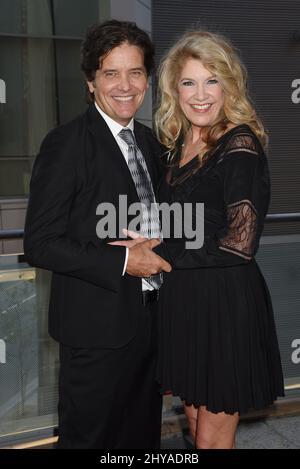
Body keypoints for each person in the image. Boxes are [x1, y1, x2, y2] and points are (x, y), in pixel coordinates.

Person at [123, 30, 285, 449]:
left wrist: (160, 254)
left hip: (224, 305)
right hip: (185, 303)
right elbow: (184, 218)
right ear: (174, 90)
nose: (200, 94)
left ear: (228, 85)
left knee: (213, 440)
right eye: (189, 82)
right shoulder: (179, 144)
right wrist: (142, 239)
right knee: (196, 427)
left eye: (211, 80)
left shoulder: (240, 143)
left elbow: (239, 242)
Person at [24, 20, 171, 449]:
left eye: (136, 72)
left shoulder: (150, 143)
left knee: (142, 440)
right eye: (111, 73)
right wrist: (126, 261)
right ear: (91, 82)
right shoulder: (65, 144)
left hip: (150, 324)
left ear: (147, 79)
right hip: (93, 334)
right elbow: (40, 242)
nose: (125, 86)